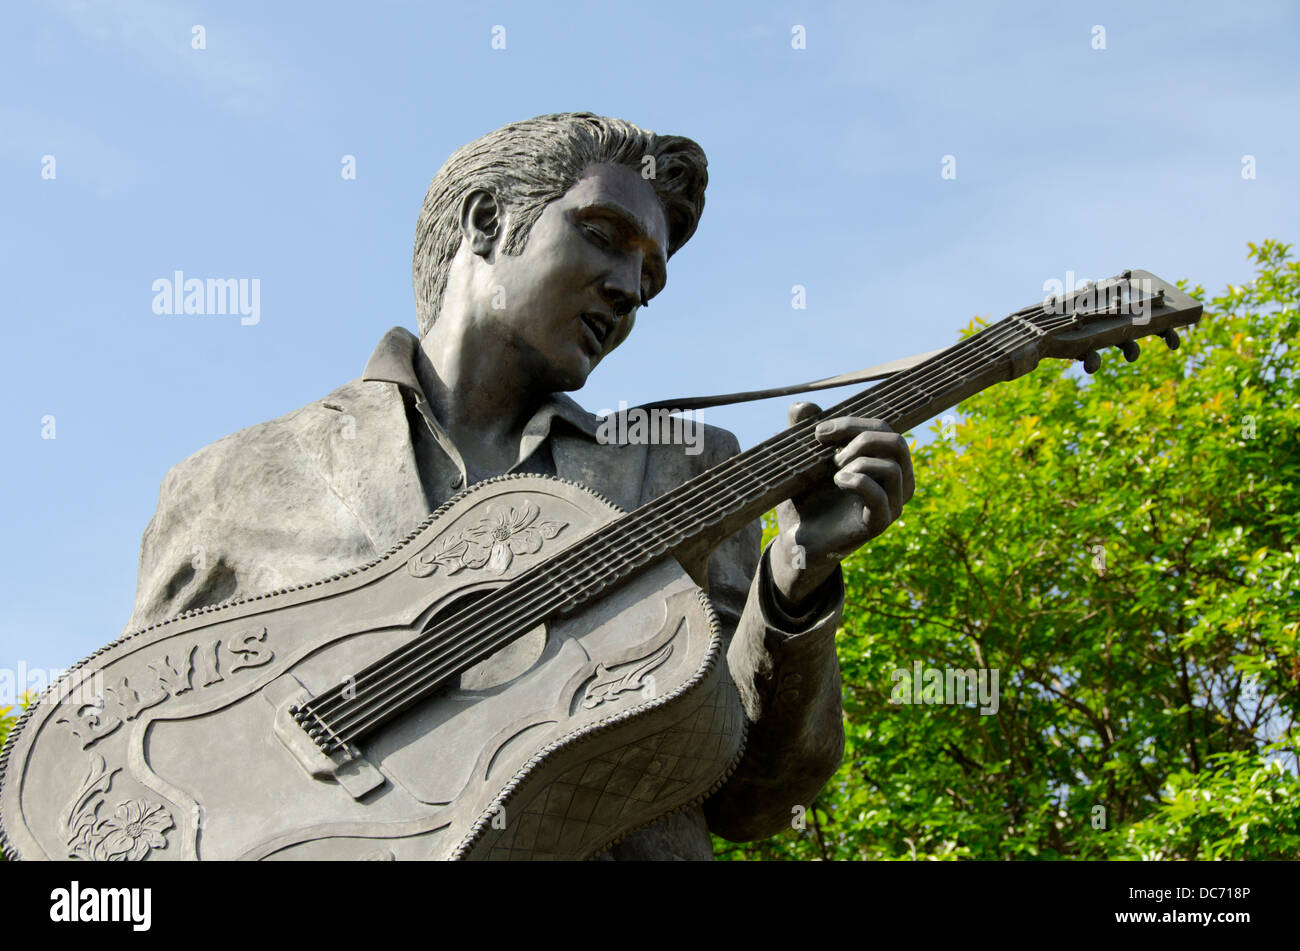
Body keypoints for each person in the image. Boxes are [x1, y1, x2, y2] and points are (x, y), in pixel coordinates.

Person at [125, 113, 914, 859]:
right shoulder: (229, 485)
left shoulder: (683, 469)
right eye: (604, 236)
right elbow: (125, 779)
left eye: (649, 277)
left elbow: (755, 797)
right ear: (485, 220)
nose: (629, 288)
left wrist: (796, 580)